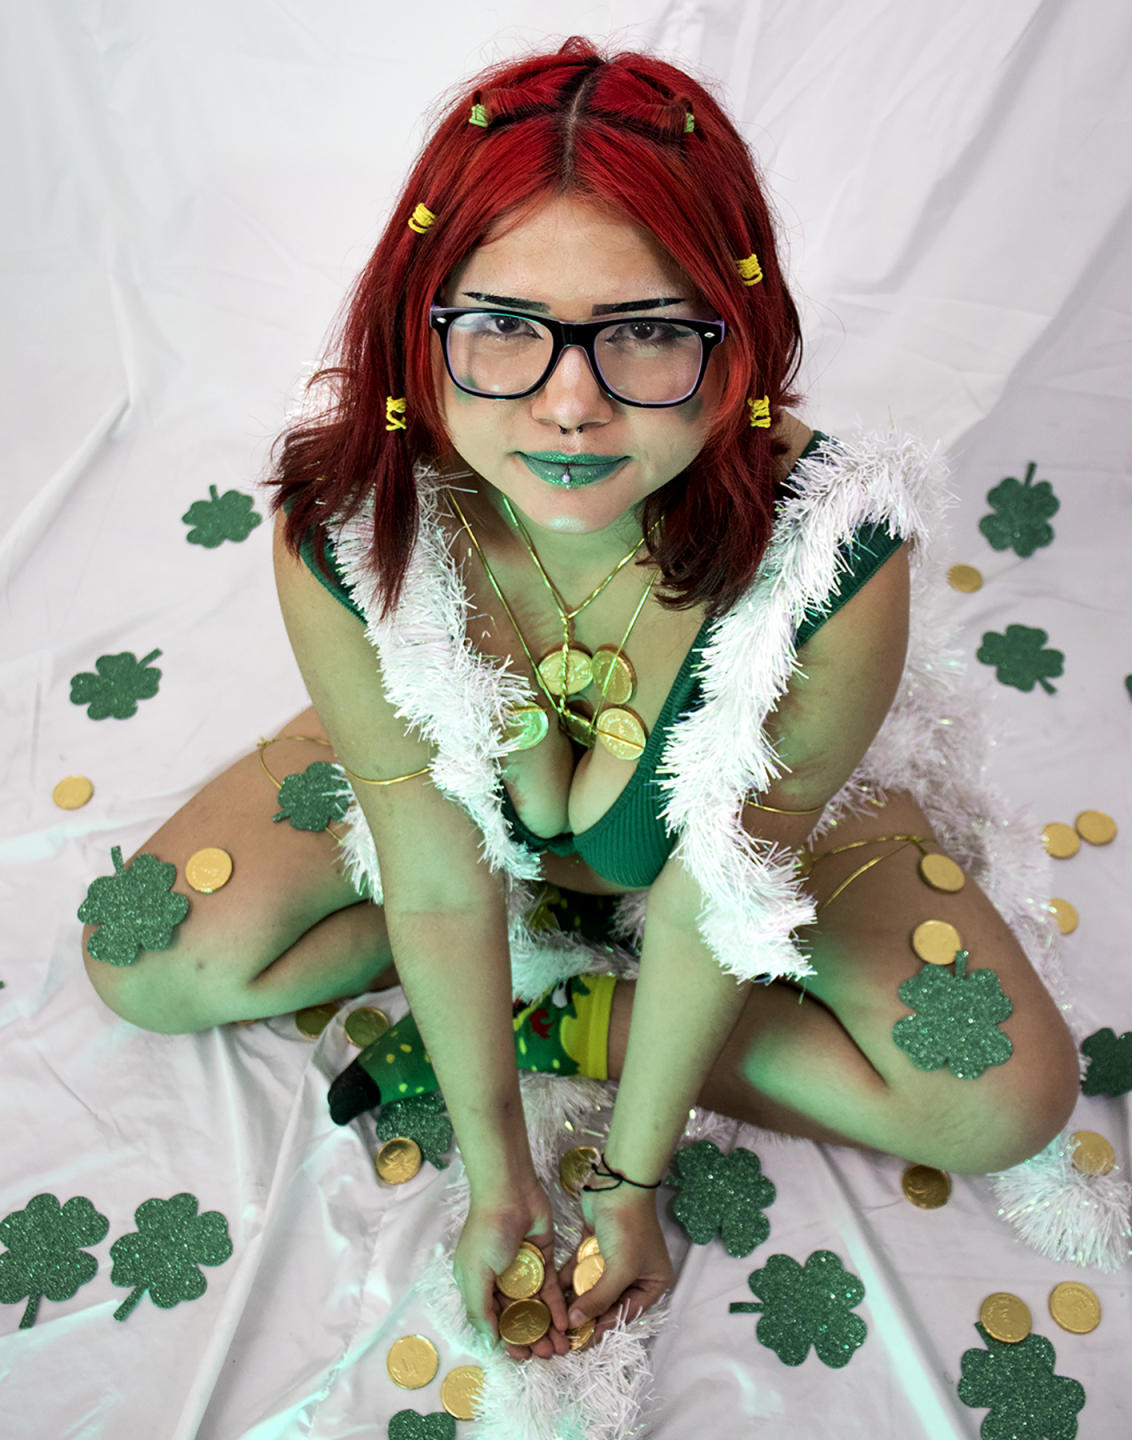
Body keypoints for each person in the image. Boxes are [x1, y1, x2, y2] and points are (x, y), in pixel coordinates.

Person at [81, 38, 1079, 1364]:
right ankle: (510, 963)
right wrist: (498, 1180)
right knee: (147, 959)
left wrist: (627, 1182)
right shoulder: (354, 525)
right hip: (445, 826)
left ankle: (571, 1013)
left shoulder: (830, 566)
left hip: (750, 848)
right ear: (418, 325)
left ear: (737, 340)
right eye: (502, 326)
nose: (569, 407)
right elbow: (435, 878)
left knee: (1005, 1100)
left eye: (648, 334)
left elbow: (714, 902)